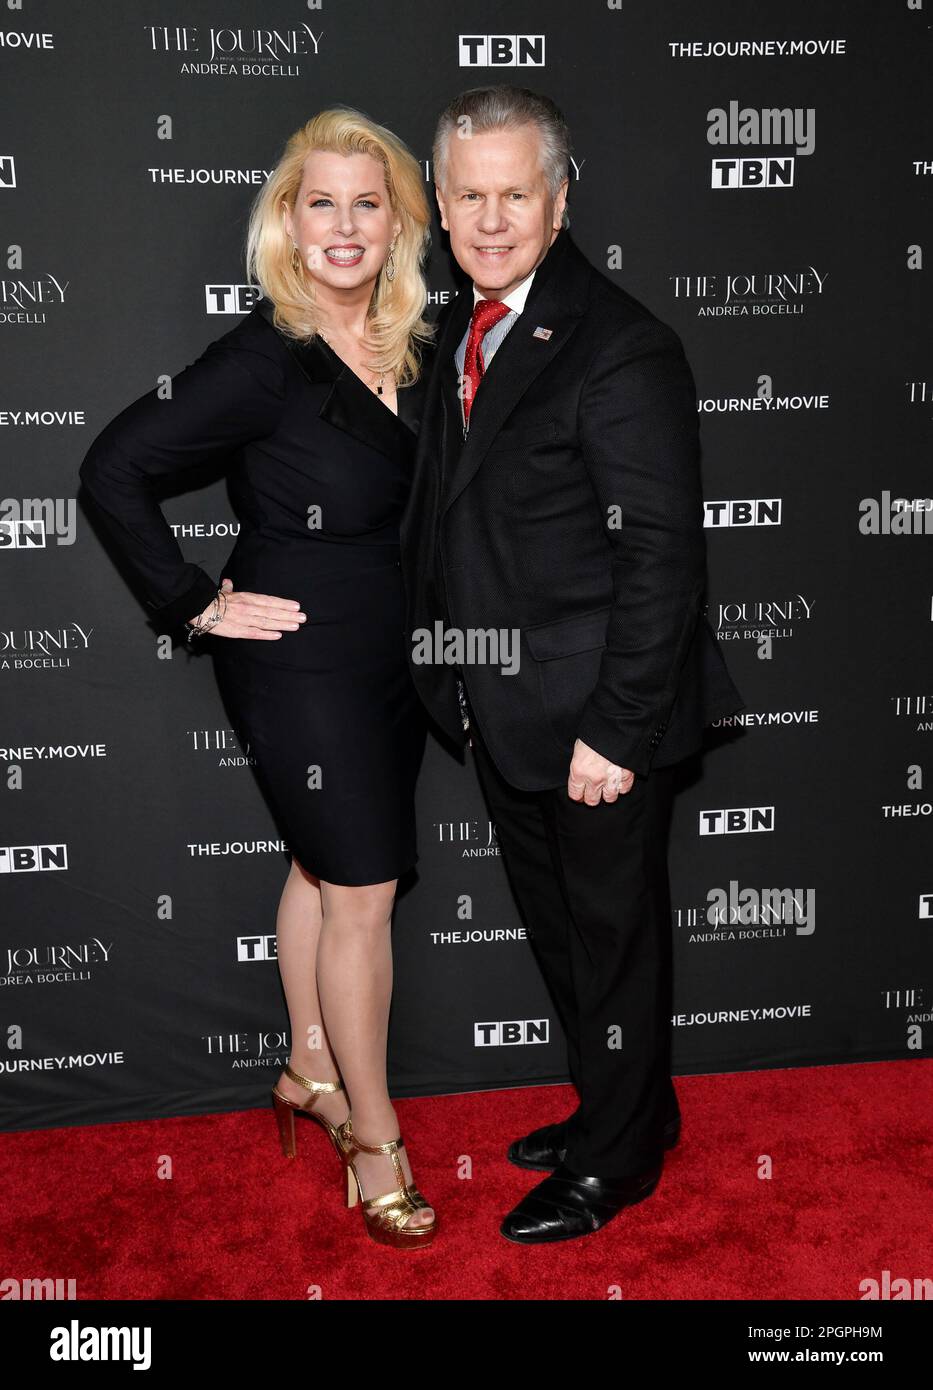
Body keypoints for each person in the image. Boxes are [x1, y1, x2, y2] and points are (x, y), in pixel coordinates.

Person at [79, 108, 439, 1249]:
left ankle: (305, 1071)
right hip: (295, 655)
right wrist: (195, 603)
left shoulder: (418, 342)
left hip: (396, 652)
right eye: (319, 202)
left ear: (397, 225)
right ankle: (374, 1138)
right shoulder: (261, 357)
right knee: (364, 893)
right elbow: (114, 468)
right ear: (286, 221)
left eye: (366, 203)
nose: (343, 225)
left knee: (322, 869)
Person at [401, 86, 745, 1244]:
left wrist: (618, 727)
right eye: (469, 195)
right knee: (565, 938)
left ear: (559, 198)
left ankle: (619, 1161)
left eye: (515, 193)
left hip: (598, 716)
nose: (490, 218)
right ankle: (624, 1106)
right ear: (441, 205)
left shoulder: (623, 343)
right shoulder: (463, 325)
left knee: (612, 940)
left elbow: (661, 558)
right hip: (507, 706)